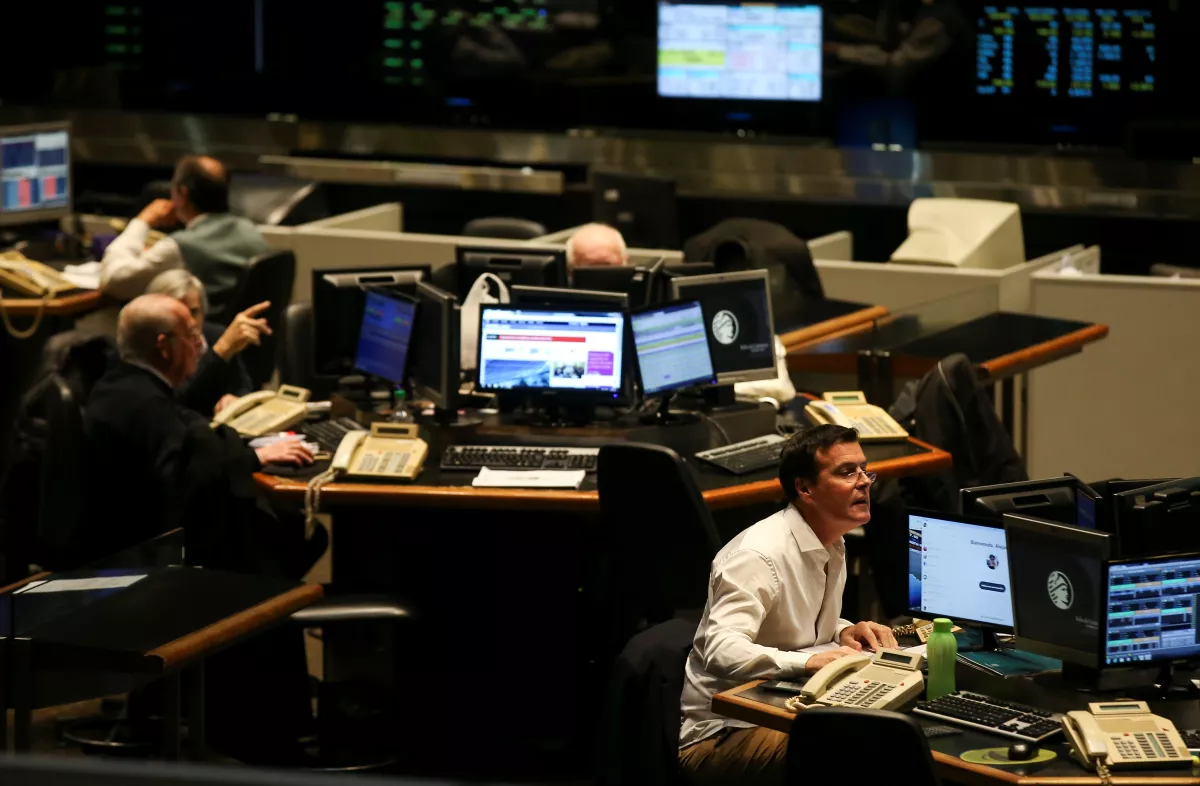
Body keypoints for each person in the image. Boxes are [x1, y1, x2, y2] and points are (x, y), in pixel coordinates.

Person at [84, 293, 319, 764]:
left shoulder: (123, 386)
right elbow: (187, 476)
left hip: (128, 543)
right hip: (142, 563)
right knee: (264, 570)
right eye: (194, 337)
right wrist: (247, 453)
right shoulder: (140, 404)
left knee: (269, 543)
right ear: (165, 346)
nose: (201, 344)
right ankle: (263, 737)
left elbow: (181, 436)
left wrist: (228, 442)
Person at [678, 424, 898, 785]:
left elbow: (796, 622)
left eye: (864, 469)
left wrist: (845, 630)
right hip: (726, 733)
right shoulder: (756, 556)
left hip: (785, 705)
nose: (865, 481)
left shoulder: (833, 541)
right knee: (865, 751)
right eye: (846, 472)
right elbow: (720, 649)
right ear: (804, 488)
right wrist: (810, 661)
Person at [99, 155, 270, 322]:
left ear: (182, 193)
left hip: (202, 342)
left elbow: (114, 282)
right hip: (240, 338)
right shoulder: (249, 230)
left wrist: (142, 221)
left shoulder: (181, 247)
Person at [145, 269, 265, 416]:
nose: (191, 323)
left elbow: (243, 387)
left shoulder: (216, 335)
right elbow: (175, 403)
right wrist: (220, 352)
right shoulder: (156, 348)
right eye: (179, 314)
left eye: (194, 312)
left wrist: (236, 400)